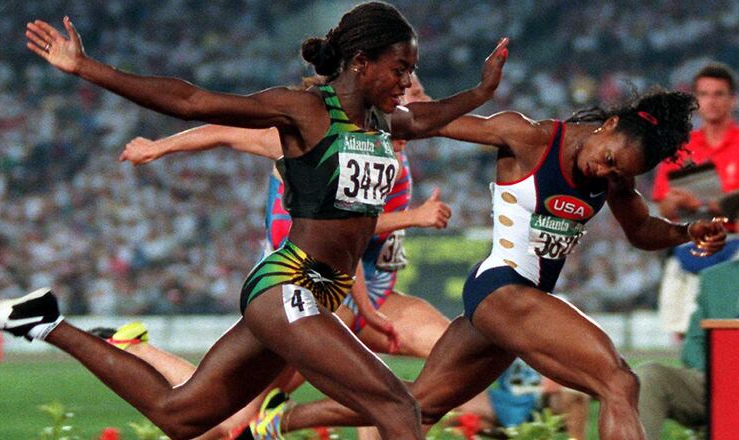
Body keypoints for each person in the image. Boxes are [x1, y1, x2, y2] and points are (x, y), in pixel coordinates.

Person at [0, 3, 509, 439]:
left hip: (318, 294)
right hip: (288, 285)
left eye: (411, 70)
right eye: (401, 68)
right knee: (396, 407)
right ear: (362, 61)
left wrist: (481, 94)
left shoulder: (382, 120)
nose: (408, 80)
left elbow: (428, 118)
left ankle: (42, 323)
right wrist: (85, 67)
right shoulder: (307, 110)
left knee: (184, 417)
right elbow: (192, 101)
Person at [248, 89, 729, 440]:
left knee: (416, 405)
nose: (605, 173)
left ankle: (278, 421)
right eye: (609, 160)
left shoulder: (616, 177)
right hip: (501, 287)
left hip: (513, 303)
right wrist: (342, 110)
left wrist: (686, 231)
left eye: (619, 173)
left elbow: (642, 231)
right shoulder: (527, 136)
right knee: (619, 381)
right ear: (607, 127)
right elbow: (421, 123)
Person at [652, 62, 739, 339]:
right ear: (695, 101)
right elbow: (663, 206)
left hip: (734, 241)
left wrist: (720, 204)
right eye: (704, 94)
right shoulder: (682, 148)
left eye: (719, 94)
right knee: (682, 331)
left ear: (732, 99)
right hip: (691, 240)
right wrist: (677, 201)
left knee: (728, 330)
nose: (711, 101)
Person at [636, 256, 739, 440]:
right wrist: (717, 378)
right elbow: (694, 342)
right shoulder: (715, 278)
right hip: (716, 382)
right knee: (649, 377)